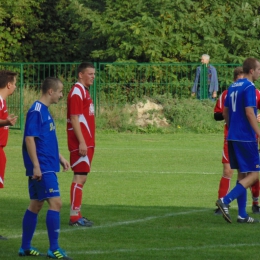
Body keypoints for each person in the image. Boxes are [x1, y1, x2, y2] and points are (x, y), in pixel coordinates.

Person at [19, 77, 73, 259]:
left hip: (48, 164)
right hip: (42, 167)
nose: (61, 95)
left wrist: (60, 158)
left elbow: (45, 140)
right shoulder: (36, 111)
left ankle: (25, 247)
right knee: (56, 203)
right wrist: (36, 166)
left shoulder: (45, 111)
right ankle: (54, 248)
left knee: (36, 204)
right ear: (51, 91)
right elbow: (29, 139)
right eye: (60, 91)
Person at [216, 57, 260, 224]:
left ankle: (242, 214)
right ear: (251, 71)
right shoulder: (249, 87)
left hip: (232, 136)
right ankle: (225, 200)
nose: (259, 73)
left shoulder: (233, 86)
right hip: (246, 138)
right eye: (258, 70)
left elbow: (225, 112)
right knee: (254, 174)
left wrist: (231, 126)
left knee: (242, 174)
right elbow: (250, 112)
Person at [67, 62, 96, 227]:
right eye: (90, 73)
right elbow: (74, 118)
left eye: (94, 74)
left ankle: (77, 214)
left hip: (87, 142)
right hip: (81, 143)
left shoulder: (83, 91)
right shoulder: (77, 91)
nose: (93, 76)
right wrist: (82, 142)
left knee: (82, 177)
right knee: (80, 176)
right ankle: (74, 217)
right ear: (80, 74)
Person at [0, 70, 18, 240]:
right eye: (15, 83)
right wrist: (5, 122)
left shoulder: (3, 102)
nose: (16, 86)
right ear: (9, 85)